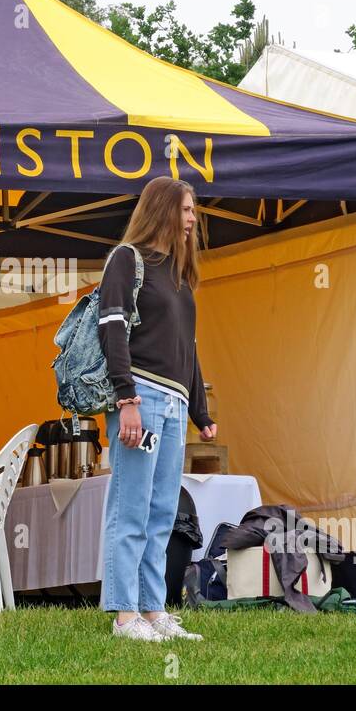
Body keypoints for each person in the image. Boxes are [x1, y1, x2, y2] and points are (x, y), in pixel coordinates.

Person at [99, 176, 217, 642]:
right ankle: (124, 616)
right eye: (187, 210)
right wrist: (125, 399)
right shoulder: (127, 260)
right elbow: (112, 329)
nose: (192, 219)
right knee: (131, 507)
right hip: (141, 398)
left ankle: (153, 611)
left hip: (173, 404)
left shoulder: (179, 275)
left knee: (162, 511)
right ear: (165, 210)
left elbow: (187, 348)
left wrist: (201, 414)